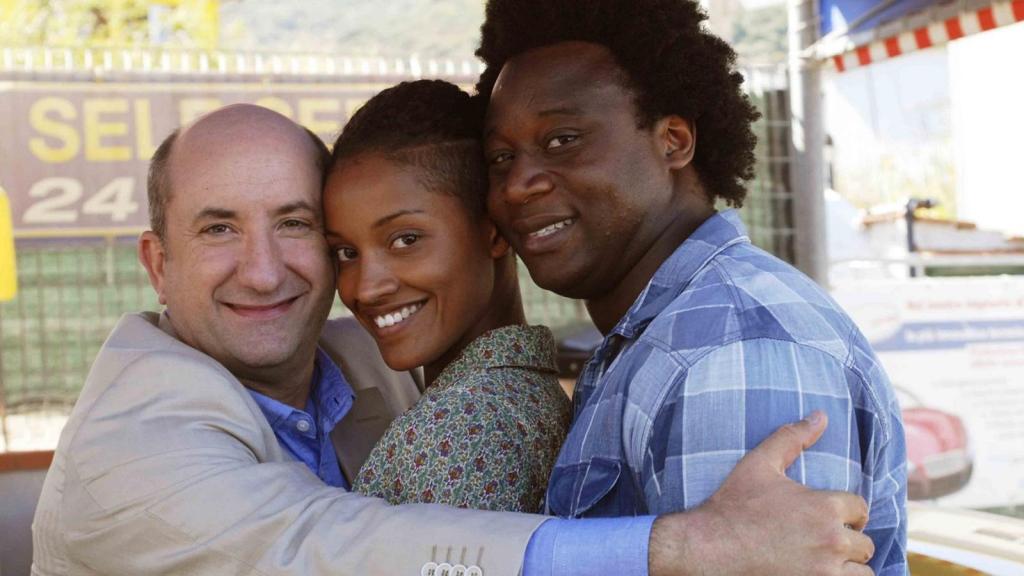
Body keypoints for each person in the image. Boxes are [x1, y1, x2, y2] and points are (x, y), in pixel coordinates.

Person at [32, 103, 876, 576]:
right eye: (218, 228)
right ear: (158, 262)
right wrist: (687, 547)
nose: (263, 271)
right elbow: (317, 548)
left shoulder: (375, 358)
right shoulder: (128, 443)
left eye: (296, 225)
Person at [476, 0, 908, 574]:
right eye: (501, 157)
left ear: (674, 140)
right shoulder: (657, 335)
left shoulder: (728, 350)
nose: (517, 184)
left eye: (562, 140)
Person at [324, 79, 571, 511]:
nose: (365, 287)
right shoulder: (528, 394)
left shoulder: (457, 428)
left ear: (494, 232)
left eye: (405, 240)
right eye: (346, 253)